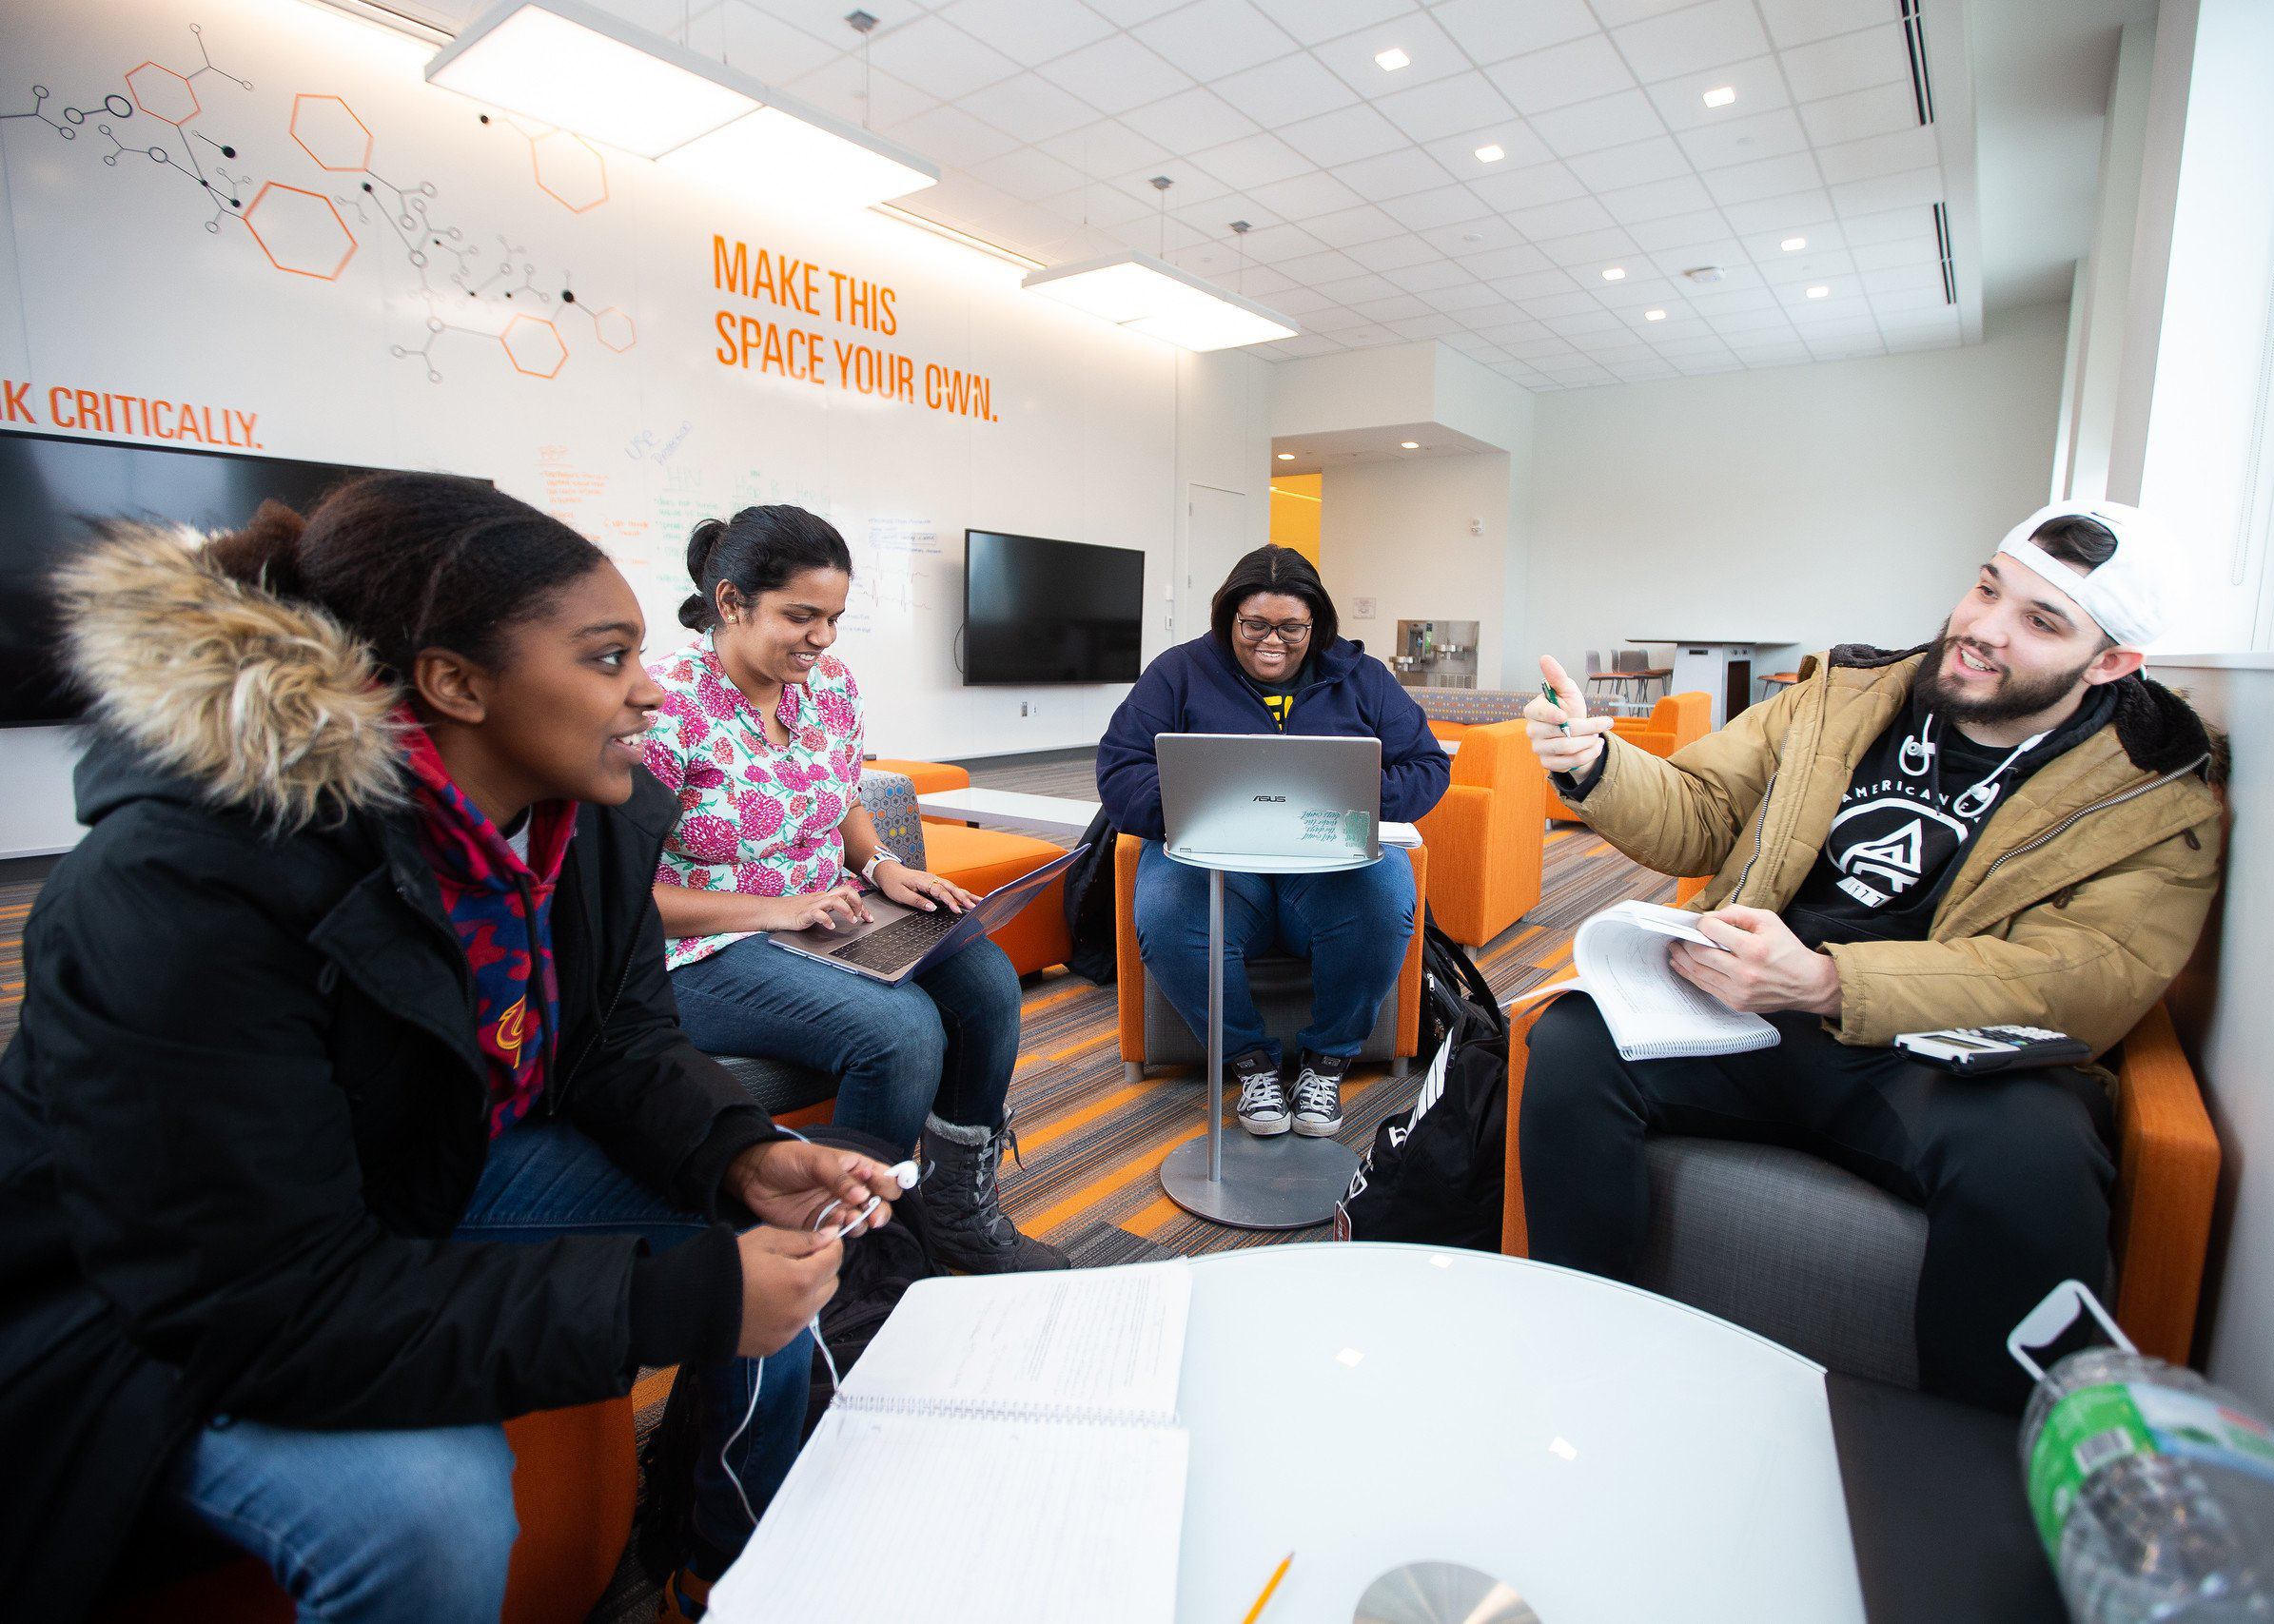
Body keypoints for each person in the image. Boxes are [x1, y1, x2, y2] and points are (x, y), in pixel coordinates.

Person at [0, 476, 906, 1621]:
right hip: (165, 1300)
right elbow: (260, 1293)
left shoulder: (594, 821)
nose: (646, 696)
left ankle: (722, 1563)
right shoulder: (177, 888)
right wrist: (666, 1304)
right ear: (455, 681)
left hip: (434, 1163)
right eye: (606, 657)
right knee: (431, 1508)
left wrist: (739, 1153)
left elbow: (619, 1042)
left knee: (769, 1213)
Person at [1518, 500, 2225, 1410]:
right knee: (1575, 1038)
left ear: (2112, 663)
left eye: (2039, 622)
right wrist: (1597, 763)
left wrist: (1827, 979)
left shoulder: (2153, 790)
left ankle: (1963, 1483)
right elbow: (1701, 810)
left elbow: (2083, 975)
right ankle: (1582, 1359)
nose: (1981, 629)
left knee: (2035, 1154)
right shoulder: (1842, 697)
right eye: (1987, 588)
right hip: (1749, 1008)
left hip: (1930, 1050)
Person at [645, 505, 1064, 1274]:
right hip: (704, 948)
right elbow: (622, 901)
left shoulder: (828, 685)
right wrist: (780, 909)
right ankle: (850, 1263)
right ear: (731, 602)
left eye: (834, 617)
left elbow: (841, 801)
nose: (824, 639)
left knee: (989, 983)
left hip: (828, 914)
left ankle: (952, 1205)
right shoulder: (663, 707)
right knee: (900, 1031)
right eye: (801, 617)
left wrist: (882, 868)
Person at [1098, 545, 1449, 1137]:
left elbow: (1427, 765)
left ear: (1318, 625)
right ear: (1229, 618)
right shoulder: (1179, 671)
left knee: (1388, 895)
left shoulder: (1361, 677)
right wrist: (1189, 806)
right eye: (1255, 625)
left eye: (1291, 627)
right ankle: (1250, 1062)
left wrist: (1354, 800)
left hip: (1328, 865)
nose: (1273, 641)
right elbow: (1119, 768)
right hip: (1219, 867)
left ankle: (1327, 1061)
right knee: (1162, 907)